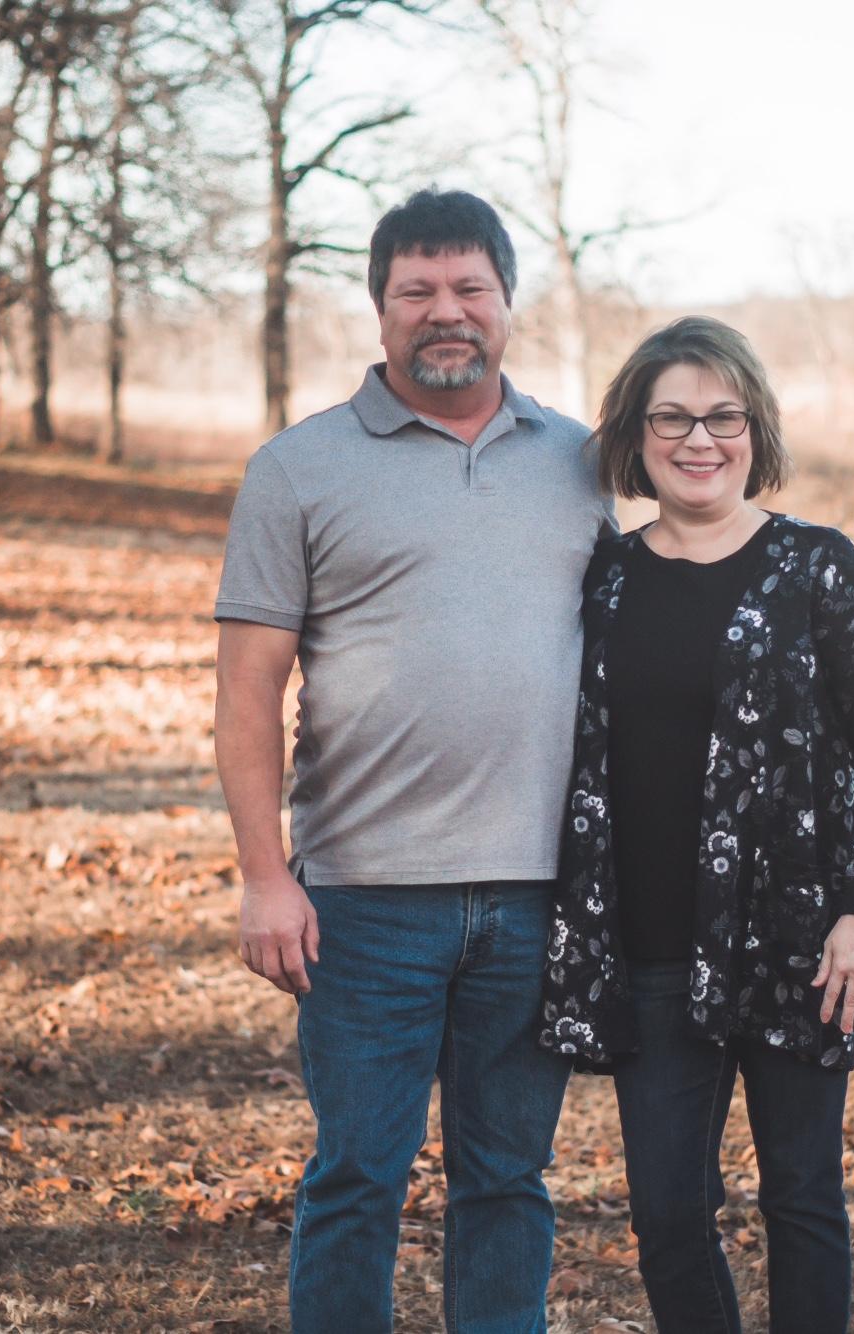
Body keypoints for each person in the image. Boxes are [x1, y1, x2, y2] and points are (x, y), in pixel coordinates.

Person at [213, 188, 613, 1334]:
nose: (447, 313)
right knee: (356, 1177)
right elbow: (248, 686)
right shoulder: (297, 467)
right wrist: (263, 872)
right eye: (418, 292)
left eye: (469, 289)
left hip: (538, 895)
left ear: (506, 304)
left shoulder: (581, 462)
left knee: (507, 1179)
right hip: (362, 902)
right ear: (380, 309)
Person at [540, 316, 854, 1333]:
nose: (696, 438)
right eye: (670, 416)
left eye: (722, 415)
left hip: (802, 937)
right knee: (667, 1212)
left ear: (755, 430)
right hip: (651, 943)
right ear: (634, 432)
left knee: (801, 1196)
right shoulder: (605, 576)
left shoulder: (818, 567)